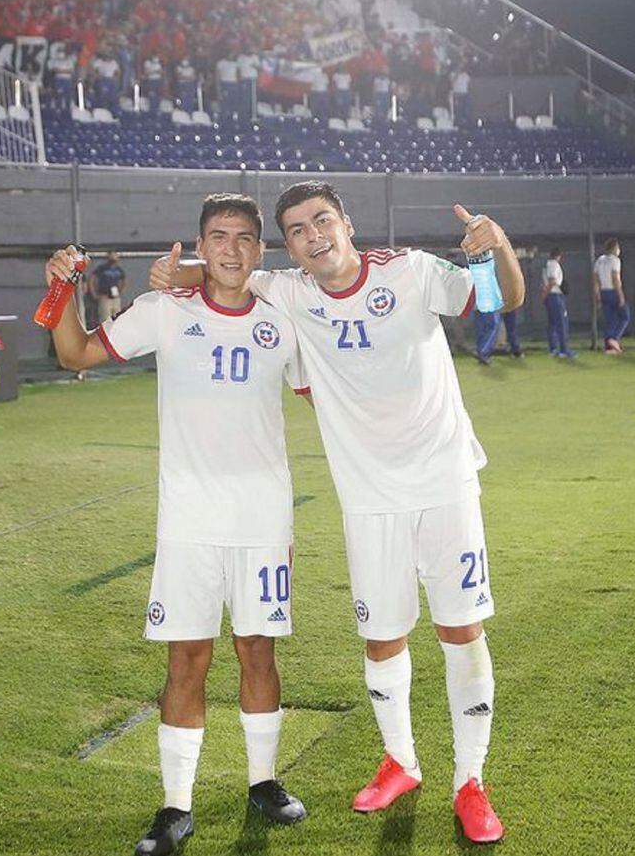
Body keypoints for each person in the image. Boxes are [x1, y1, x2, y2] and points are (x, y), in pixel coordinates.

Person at [150, 181, 525, 844]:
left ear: (347, 223)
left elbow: (501, 300)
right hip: (368, 498)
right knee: (382, 638)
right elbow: (226, 268)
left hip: (444, 483)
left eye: (322, 220)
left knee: (461, 631)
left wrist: (498, 250)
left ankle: (471, 781)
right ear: (289, 246)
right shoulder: (291, 293)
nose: (313, 234)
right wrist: (173, 271)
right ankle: (402, 762)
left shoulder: (408, 271)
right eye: (297, 229)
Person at [46, 194, 308, 855]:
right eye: (218, 237)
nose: (231, 248)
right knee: (187, 657)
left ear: (259, 249)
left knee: (258, 649)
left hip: (263, 520)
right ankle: (175, 806)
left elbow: (329, 387)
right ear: (200, 244)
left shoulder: (285, 317)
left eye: (244, 237)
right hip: (189, 523)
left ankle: (263, 781)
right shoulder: (165, 312)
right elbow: (75, 353)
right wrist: (58, 291)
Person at [593, 238, 629, 354]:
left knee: (610, 320)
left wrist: (597, 295)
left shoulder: (599, 260)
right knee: (625, 316)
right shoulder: (615, 260)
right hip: (613, 291)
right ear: (614, 248)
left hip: (603, 292)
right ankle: (614, 338)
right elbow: (615, 278)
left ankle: (609, 347)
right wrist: (621, 295)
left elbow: (595, 280)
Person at [542, 247, 576, 357]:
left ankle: (553, 348)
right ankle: (563, 350)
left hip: (550, 296)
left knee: (552, 323)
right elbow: (552, 281)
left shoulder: (546, 265)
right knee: (561, 323)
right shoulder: (554, 265)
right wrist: (545, 294)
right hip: (555, 296)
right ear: (559, 256)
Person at [88, 251, 127, 324]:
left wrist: (121, 291)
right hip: (105, 296)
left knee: (117, 318)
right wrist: (94, 293)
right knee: (105, 319)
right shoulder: (102, 269)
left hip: (115, 297)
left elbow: (124, 280)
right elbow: (92, 279)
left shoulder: (119, 270)